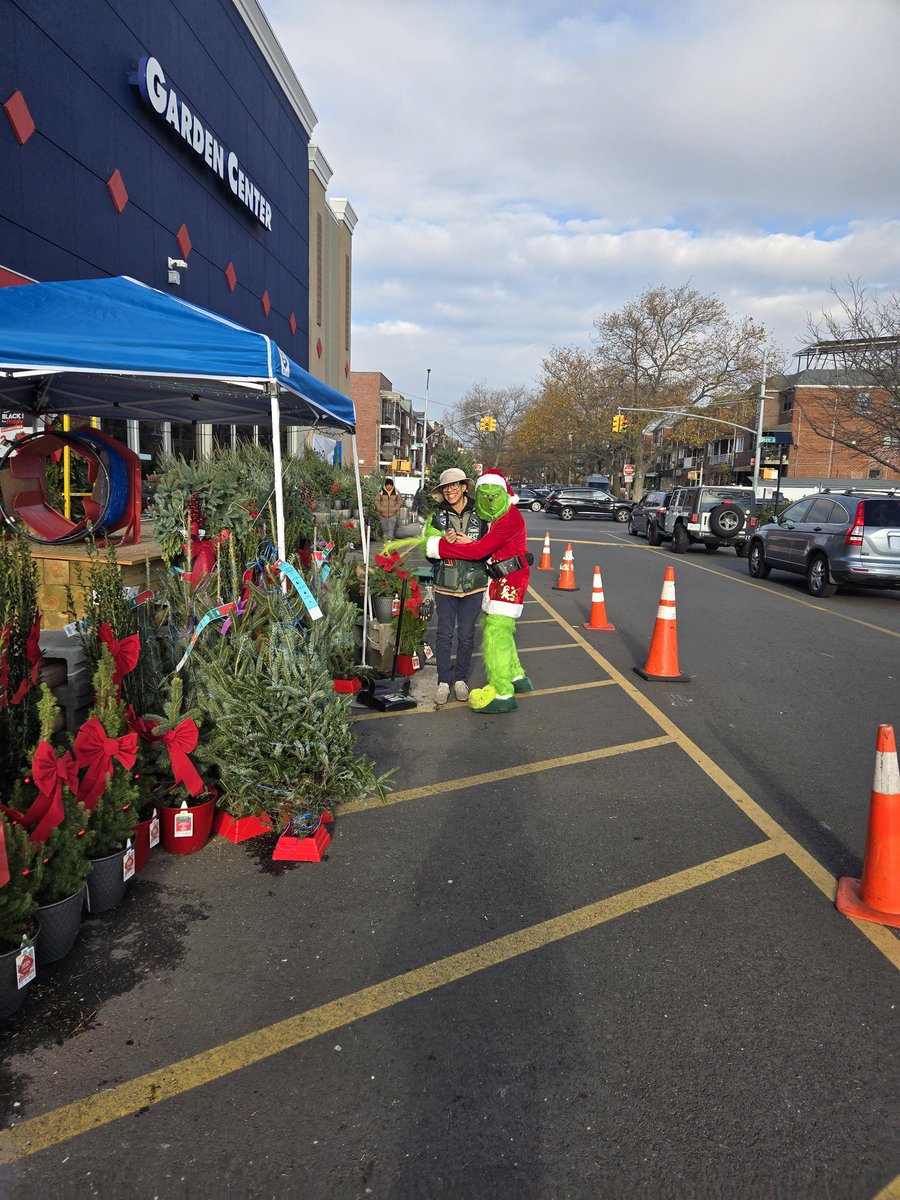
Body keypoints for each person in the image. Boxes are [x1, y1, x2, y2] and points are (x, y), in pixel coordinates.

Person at [426, 467, 488, 706]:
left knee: (466, 635)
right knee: (444, 634)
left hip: (474, 586)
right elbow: (429, 553)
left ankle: (460, 679)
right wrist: (442, 543)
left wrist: (471, 544)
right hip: (445, 587)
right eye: (445, 487)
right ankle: (443, 681)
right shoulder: (436, 517)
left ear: (464, 487)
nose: (450, 490)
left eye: (454, 485)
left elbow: (489, 549)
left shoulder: (481, 515)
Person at [374, 477, 402, 542]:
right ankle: (385, 541)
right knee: (384, 529)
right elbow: (376, 501)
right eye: (387, 485)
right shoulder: (381, 492)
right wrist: (379, 508)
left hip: (393, 514)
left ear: (392, 485)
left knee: (391, 528)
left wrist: (396, 508)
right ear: (385, 485)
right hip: (383, 514)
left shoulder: (396, 492)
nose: (389, 486)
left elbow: (400, 501)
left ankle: (389, 540)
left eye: (390, 485)